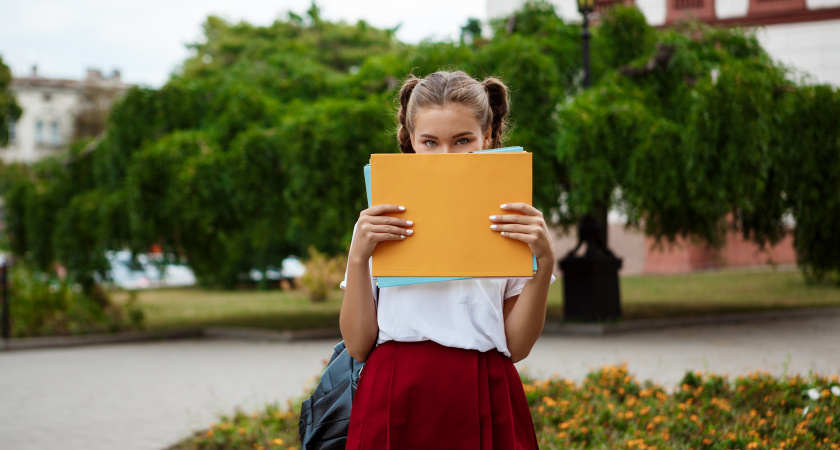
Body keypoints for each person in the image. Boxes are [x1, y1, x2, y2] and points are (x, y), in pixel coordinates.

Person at [340, 70, 556, 449]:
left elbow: (518, 347)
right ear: (410, 142)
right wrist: (358, 259)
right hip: (394, 390)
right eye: (430, 141)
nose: (446, 156)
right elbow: (358, 345)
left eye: (462, 140)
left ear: (486, 137)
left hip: (483, 386)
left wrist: (545, 262)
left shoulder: (513, 219)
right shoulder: (381, 220)